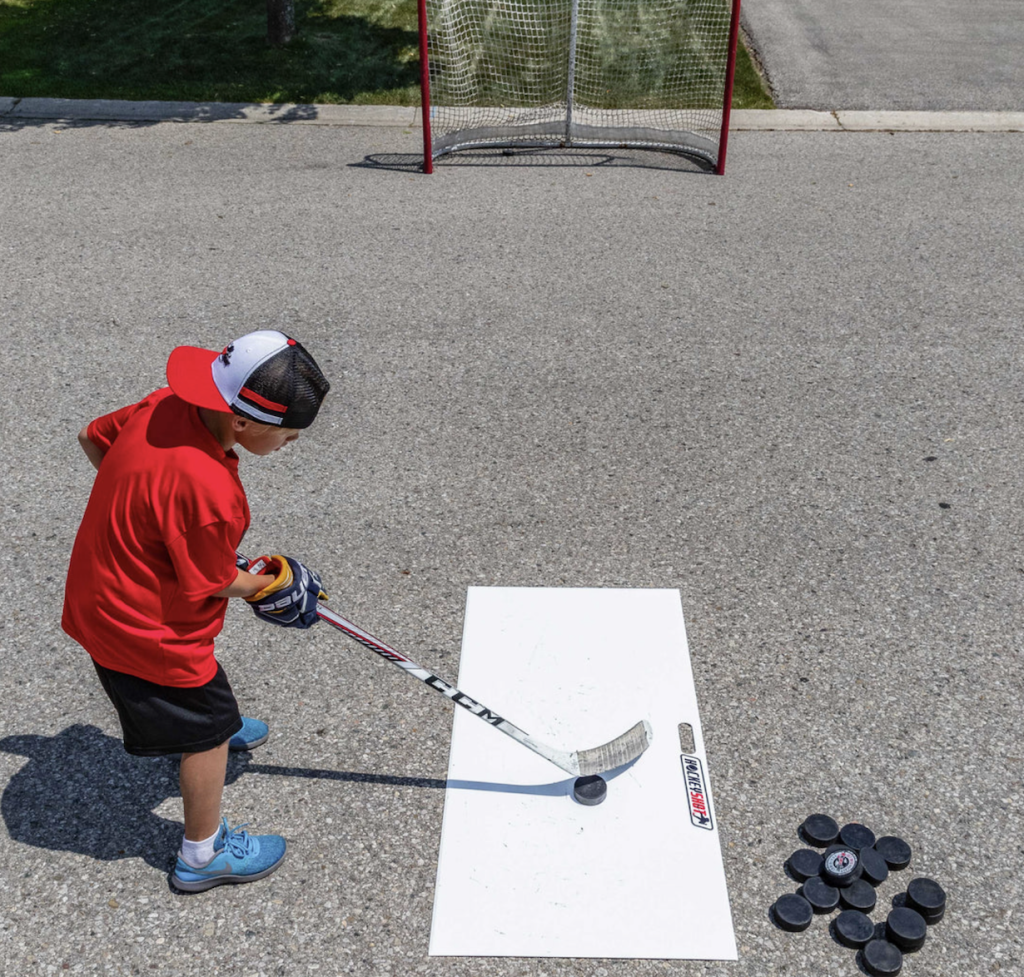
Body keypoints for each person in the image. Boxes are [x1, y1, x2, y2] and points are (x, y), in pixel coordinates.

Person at [62, 330, 330, 892]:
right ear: (242, 423)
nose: (292, 444)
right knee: (205, 731)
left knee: (206, 711)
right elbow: (211, 580)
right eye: (287, 435)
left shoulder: (166, 402)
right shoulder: (208, 489)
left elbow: (94, 437)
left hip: (100, 593)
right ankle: (202, 857)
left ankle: (213, 727)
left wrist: (152, 519)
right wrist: (270, 585)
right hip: (142, 626)